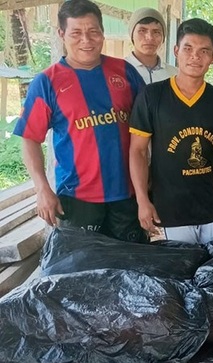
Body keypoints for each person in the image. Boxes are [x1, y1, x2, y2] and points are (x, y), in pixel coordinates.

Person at [13, 0, 147, 242]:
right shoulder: (46, 83)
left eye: (93, 31)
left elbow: (149, 126)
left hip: (128, 196)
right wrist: (42, 189)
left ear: (102, 32)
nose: (86, 40)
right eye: (76, 33)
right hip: (76, 200)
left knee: (131, 271)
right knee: (80, 274)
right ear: (61, 34)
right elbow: (30, 139)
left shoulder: (125, 72)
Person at [129, 18, 213, 244]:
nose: (195, 57)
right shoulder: (152, 96)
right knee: (179, 275)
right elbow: (138, 152)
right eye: (188, 48)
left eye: (204, 51)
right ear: (176, 51)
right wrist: (143, 200)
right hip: (170, 213)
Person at [125, 7, 177, 84]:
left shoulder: (175, 75)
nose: (150, 37)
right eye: (142, 31)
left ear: (163, 37)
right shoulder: (119, 71)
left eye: (156, 32)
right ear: (132, 35)